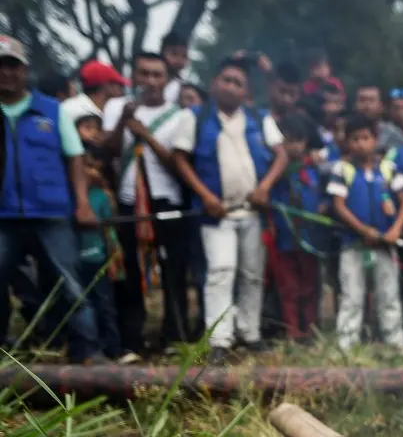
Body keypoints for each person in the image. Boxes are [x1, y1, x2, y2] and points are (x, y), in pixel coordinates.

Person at [172, 57, 288, 365]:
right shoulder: (194, 117)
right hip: (216, 213)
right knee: (221, 272)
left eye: (238, 83)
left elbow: (281, 155)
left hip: (252, 211)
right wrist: (206, 195)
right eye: (226, 80)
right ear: (214, 83)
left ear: (245, 91)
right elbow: (180, 159)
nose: (231, 86)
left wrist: (265, 187)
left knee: (252, 274)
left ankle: (250, 333)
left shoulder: (258, 117)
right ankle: (219, 339)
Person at [0, 35, 103, 363]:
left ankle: (86, 351)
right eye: (0, 66)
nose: (6, 72)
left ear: (24, 68)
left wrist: (83, 203)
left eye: (12, 64)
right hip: (3, 216)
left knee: (70, 283)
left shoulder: (52, 110)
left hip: (51, 211)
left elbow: (75, 157)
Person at [103, 50, 193, 358]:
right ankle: (131, 339)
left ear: (167, 80)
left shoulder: (180, 116)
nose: (151, 81)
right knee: (129, 272)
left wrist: (145, 135)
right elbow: (108, 151)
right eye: (145, 74)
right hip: (128, 200)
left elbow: (177, 166)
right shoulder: (117, 107)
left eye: (157, 75)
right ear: (134, 76)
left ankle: (173, 337)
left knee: (173, 271)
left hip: (166, 201)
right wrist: (124, 123)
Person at [327, 113, 403, 352]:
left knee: (389, 295)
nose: (360, 143)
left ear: (375, 140)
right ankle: (347, 344)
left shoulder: (388, 168)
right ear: (347, 143)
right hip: (353, 244)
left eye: (365, 138)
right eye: (354, 139)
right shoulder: (342, 169)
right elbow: (338, 205)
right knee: (352, 295)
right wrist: (364, 230)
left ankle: (395, 343)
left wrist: (395, 230)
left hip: (386, 244)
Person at [268, 114, 324, 342]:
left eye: (299, 140)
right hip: (283, 237)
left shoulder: (315, 168)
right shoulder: (274, 171)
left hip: (310, 236)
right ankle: (292, 329)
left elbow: (324, 195)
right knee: (288, 286)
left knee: (310, 285)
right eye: (288, 141)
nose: (295, 146)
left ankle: (310, 327)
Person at [78, 143, 123, 359]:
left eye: (91, 166)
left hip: (98, 257)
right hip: (75, 262)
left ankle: (112, 348)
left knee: (104, 304)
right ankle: (85, 348)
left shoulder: (102, 197)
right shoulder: (67, 198)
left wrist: (113, 260)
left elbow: (110, 232)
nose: (88, 171)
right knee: (80, 304)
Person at [63, 60, 129, 126]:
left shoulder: (112, 110)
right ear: (106, 85)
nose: (121, 88)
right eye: (119, 84)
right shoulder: (70, 109)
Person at [354, 85, 403, 153]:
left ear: (381, 105)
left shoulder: (393, 133)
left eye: (371, 100)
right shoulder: (345, 132)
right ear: (355, 104)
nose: (366, 105)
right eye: (362, 100)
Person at [161, 31, 191, 105]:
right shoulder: (147, 79)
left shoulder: (183, 88)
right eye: (174, 54)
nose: (179, 60)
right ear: (162, 53)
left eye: (184, 56)